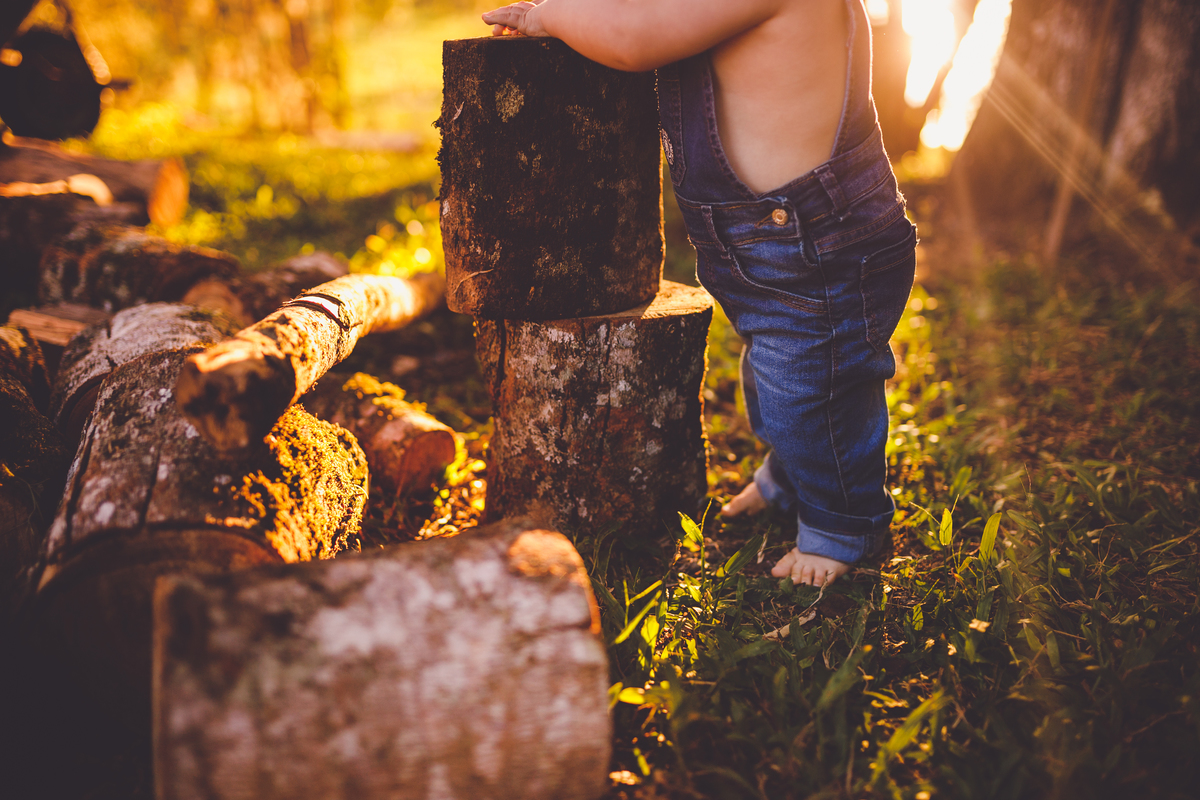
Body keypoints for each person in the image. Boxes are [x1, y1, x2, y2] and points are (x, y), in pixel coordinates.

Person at [481, 0, 916, 587]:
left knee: (814, 389)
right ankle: (793, 476)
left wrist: (549, 17)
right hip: (772, 243)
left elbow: (633, 38)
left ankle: (844, 524)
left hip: (816, 245)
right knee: (775, 379)